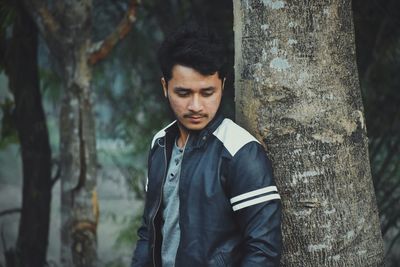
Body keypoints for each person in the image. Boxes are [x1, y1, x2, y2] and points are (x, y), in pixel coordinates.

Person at [131, 21, 282, 267]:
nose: (196, 106)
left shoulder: (241, 152)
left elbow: (263, 251)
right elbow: (149, 231)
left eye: (207, 92)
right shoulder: (160, 144)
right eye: (183, 93)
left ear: (222, 85)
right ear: (165, 88)